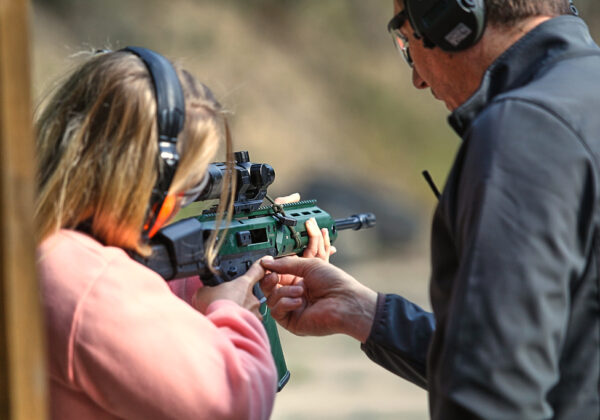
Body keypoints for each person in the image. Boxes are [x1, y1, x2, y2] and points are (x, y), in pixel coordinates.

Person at [260, 0, 600, 418]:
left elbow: (492, 394)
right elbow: (554, 358)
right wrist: (365, 313)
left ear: (447, 17)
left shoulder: (523, 131)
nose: (418, 79)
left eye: (405, 39)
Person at [35, 47, 329, 420]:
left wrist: (210, 280)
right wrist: (232, 310)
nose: (180, 202)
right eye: (187, 185)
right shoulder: (88, 284)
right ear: (145, 179)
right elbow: (233, 406)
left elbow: (140, 302)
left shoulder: (50, 248)